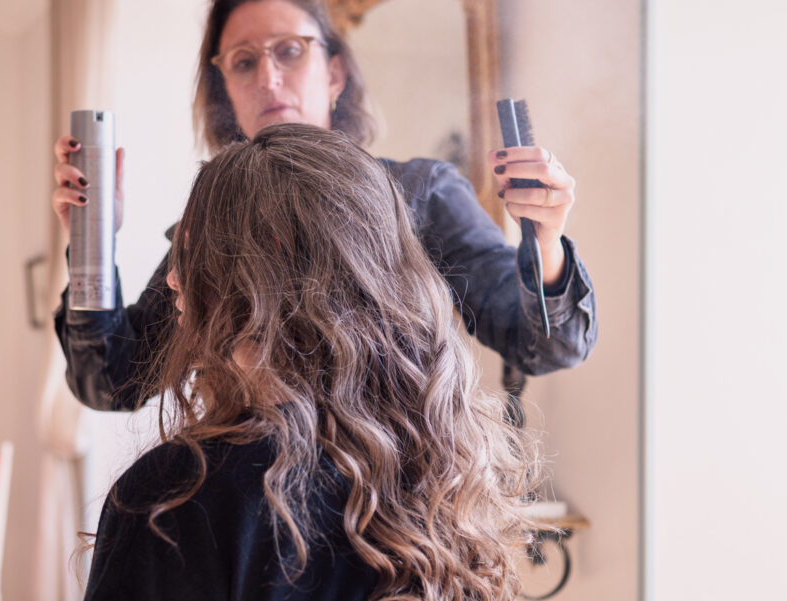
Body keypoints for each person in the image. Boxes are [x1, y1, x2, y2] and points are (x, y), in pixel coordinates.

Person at [60, 123, 536, 601]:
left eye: (190, 252)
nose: (172, 280)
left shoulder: (180, 503)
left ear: (249, 273)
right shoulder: (442, 475)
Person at [52, 0, 596, 414]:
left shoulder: (421, 194)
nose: (267, 78)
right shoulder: (207, 227)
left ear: (334, 74)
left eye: (289, 51)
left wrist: (545, 242)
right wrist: (92, 243)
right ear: (226, 91)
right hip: (247, 523)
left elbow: (546, 346)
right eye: (243, 62)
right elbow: (111, 381)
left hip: (391, 523)